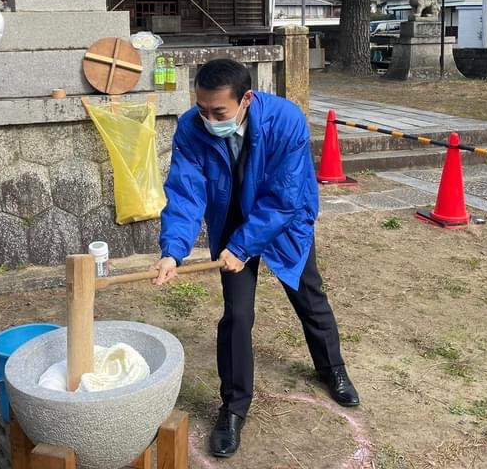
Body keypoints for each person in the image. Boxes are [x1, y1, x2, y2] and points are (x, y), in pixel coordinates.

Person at [154, 59, 359, 458]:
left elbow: (285, 197)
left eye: (219, 112)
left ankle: (333, 369)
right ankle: (232, 409)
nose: (209, 118)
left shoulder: (286, 120)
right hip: (232, 220)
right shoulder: (191, 127)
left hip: (282, 220)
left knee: (309, 296)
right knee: (237, 314)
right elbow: (185, 192)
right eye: (202, 108)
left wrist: (244, 247)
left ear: (246, 99)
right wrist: (172, 252)